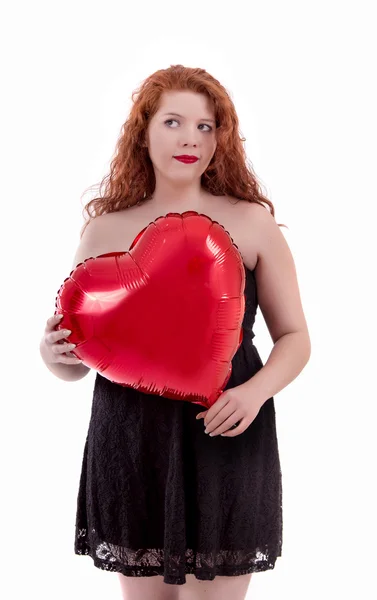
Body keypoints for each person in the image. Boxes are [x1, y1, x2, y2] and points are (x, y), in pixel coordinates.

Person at [39, 64, 311, 600]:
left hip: (227, 428)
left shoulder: (250, 221)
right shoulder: (106, 229)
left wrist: (254, 393)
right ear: (143, 132)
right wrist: (51, 351)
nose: (191, 137)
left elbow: (296, 337)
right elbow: (74, 360)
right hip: (132, 436)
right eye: (173, 122)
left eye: (207, 126)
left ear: (222, 138)